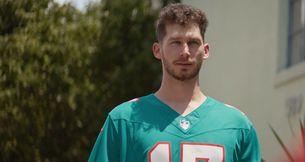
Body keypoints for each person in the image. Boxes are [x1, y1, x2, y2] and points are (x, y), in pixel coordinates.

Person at [88, 3, 261, 162]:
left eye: (193, 43)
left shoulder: (237, 125)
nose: (185, 52)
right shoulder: (123, 120)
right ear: (158, 50)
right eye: (176, 42)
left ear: (205, 50)